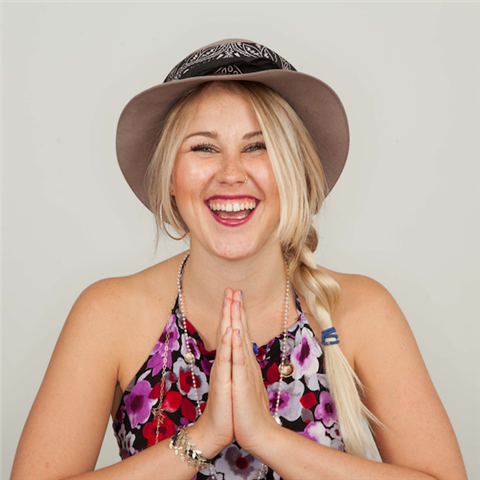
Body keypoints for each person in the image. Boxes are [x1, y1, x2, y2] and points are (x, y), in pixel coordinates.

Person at [11, 39, 467, 480]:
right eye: (204, 147)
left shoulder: (361, 311)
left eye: (258, 146)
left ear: (296, 172)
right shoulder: (108, 315)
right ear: (170, 178)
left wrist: (267, 438)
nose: (231, 174)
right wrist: (203, 438)